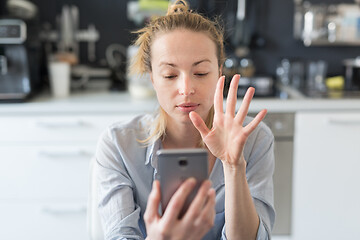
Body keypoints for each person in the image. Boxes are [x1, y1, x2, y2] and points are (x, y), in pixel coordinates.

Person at [95, 1, 275, 239]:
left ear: (220, 72)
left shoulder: (253, 139)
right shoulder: (118, 144)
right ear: (152, 78)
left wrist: (233, 167)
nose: (186, 88)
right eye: (169, 75)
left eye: (200, 73)